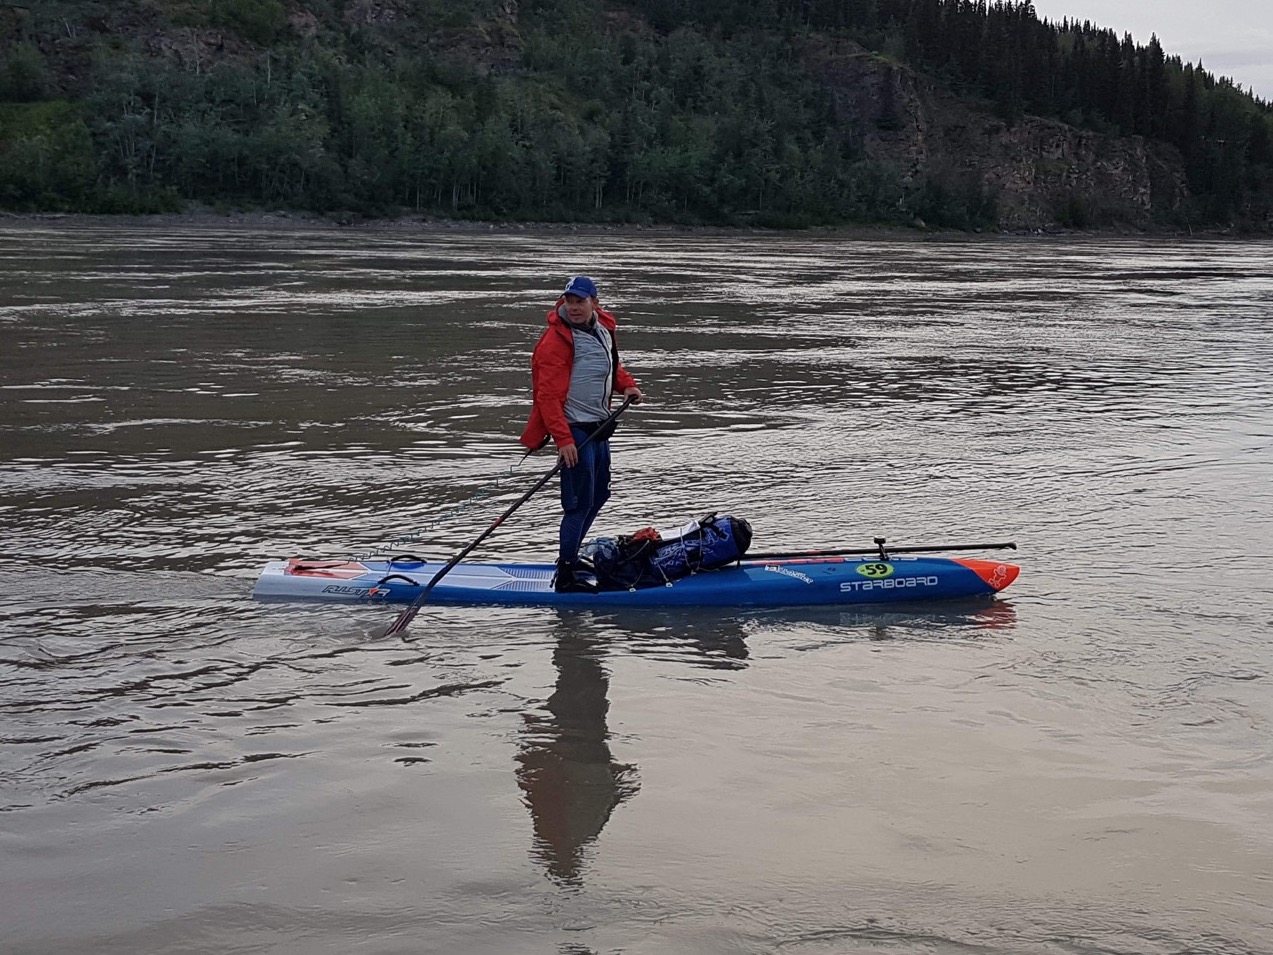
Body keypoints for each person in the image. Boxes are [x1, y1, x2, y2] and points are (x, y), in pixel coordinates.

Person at [520, 276, 643, 593]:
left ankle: (572, 559)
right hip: (574, 430)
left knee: (599, 495)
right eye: (569, 301)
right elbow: (546, 397)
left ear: (594, 303)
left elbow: (611, 367)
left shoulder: (603, 328)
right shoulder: (554, 343)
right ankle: (566, 576)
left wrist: (626, 384)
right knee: (578, 504)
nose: (573, 307)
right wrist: (563, 440)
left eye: (580, 301)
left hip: (598, 427)